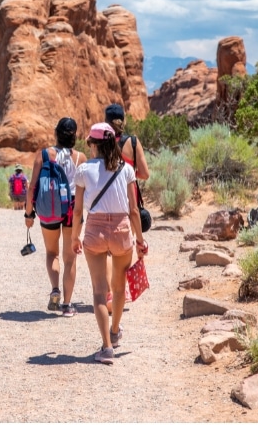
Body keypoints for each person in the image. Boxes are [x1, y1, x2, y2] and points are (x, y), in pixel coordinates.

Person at [71, 122, 148, 365]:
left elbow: (77, 212)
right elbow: (134, 210)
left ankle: (106, 348)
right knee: (118, 287)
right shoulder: (126, 169)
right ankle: (115, 333)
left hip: (95, 231)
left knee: (98, 292)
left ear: (94, 145)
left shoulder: (83, 170)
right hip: (121, 230)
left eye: (90, 144)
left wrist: (75, 237)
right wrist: (140, 240)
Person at [24, 117, 86, 317]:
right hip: (72, 211)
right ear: (74, 135)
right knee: (70, 258)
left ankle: (55, 289)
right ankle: (67, 306)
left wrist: (28, 213)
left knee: (52, 253)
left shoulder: (43, 155)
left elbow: (32, 187)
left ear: (56, 133)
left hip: (49, 208)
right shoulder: (81, 158)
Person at [104, 103, 150, 314]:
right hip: (128, 198)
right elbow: (145, 173)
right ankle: (119, 292)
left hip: (105, 200)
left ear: (106, 121)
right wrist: (129, 173)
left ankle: (109, 294)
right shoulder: (132, 142)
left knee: (105, 251)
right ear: (123, 119)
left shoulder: (101, 141)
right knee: (124, 247)